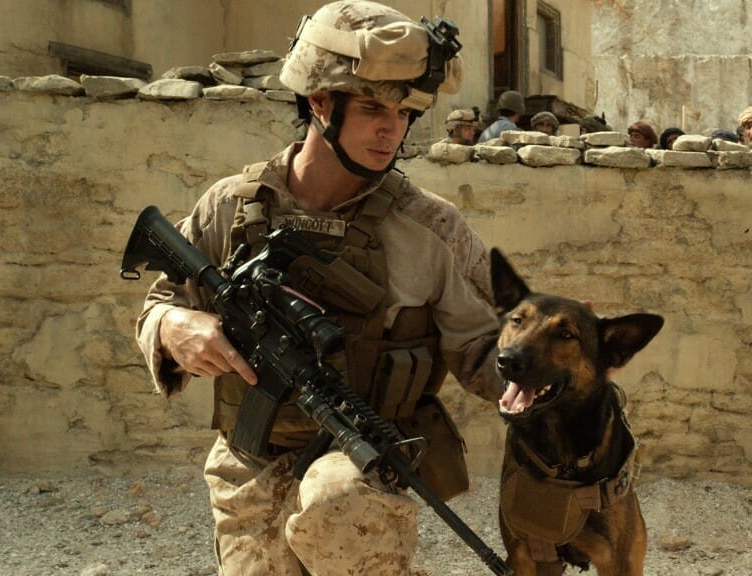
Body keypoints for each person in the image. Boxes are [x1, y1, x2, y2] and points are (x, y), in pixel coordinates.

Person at [133, 2, 503, 575]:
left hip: (357, 460)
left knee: (342, 502)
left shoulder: (431, 229)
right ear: (320, 102)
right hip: (248, 466)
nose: (392, 129)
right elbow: (160, 304)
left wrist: (566, 364)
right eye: (373, 108)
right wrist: (173, 327)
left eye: (404, 112)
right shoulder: (232, 207)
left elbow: (489, 351)